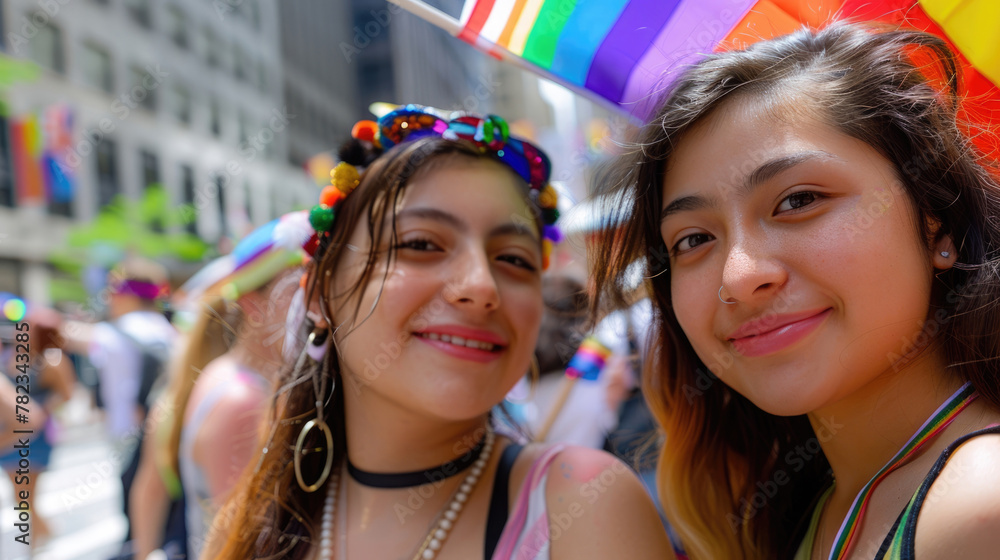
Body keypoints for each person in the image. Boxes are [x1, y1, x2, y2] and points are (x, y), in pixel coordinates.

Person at [592, 21, 1000, 559]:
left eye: (799, 200)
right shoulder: (803, 509)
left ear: (936, 222)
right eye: (693, 239)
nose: (738, 275)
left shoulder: (979, 508)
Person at [205, 104, 673, 560]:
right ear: (320, 295)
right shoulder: (260, 518)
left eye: (514, 259)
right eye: (421, 244)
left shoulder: (582, 507)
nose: (481, 286)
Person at [130, 211, 311, 560]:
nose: (314, 305)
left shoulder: (231, 378)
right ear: (253, 305)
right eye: (297, 290)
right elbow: (251, 546)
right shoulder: (242, 400)